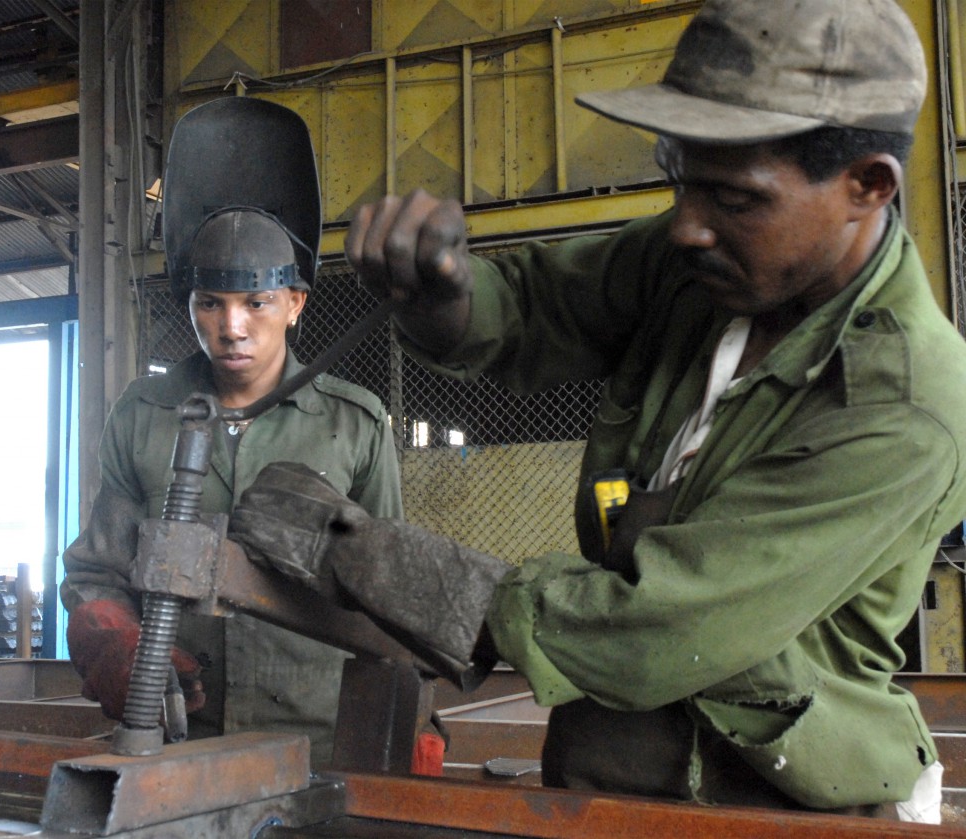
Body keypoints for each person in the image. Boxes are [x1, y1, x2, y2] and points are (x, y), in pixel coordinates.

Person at [226, 0, 966, 822]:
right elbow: (536, 307)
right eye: (680, 179)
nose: (686, 226)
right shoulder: (704, 268)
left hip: (768, 804)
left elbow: (657, 626)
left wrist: (386, 567)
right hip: (603, 779)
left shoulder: (906, 401)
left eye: (734, 198)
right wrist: (446, 293)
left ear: (868, 185)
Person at [60, 99, 402, 768]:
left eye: (256, 301)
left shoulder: (354, 424)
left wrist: (400, 720)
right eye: (210, 302)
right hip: (180, 739)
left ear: (296, 302)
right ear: (190, 304)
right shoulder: (142, 415)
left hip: (315, 744)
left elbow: (387, 600)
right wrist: (117, 646)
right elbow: (95, 575)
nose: (232, 325)